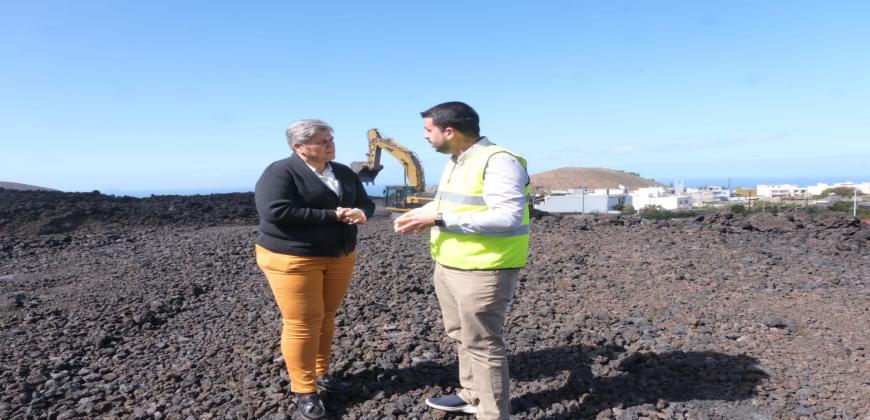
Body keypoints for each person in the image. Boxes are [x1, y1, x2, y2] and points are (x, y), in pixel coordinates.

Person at [393, 102, 531, 420]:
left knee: (482, 343)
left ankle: (493, 415)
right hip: (450, 265)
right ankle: (472, 395)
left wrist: (437, 219)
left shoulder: (499, 161)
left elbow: (507, 217)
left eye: (428, 130)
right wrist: (422, 215)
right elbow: (452, 206)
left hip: (485, 269)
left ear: (449, 131)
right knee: (460, 334)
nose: (424, 136)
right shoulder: (457, 161)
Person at [254, 119, 375, 420]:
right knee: (302, 322)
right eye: (323, 141)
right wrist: (334, 216)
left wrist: (360, 213)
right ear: (299, 147)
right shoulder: (280, 172)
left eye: (330, 139)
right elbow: (275, 211)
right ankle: (304, 389)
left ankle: (322, 374)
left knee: (327, 316)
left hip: (339, 255)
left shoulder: (344, 172)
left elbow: (365, 203)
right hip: (292, 258)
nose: (330, 145)